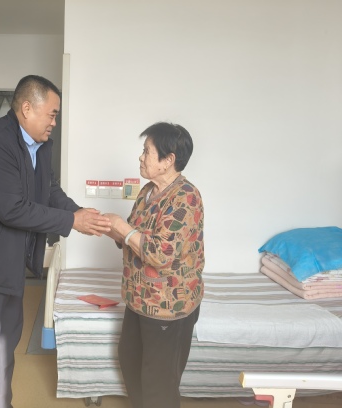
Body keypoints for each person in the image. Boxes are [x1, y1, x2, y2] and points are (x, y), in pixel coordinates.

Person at [0, 75, 111, 408]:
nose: (54, 122)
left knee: (4, 352)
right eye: (51, 114)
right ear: (26, 108)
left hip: (9, 266)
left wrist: (78, 213)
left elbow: (48, 190)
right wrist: (71, 222)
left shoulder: (40, 145)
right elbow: (12, 209)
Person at [103, 122, 205, 408]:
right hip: (139, 299)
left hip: (167, 307)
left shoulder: (186, 198)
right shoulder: (147, 191)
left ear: (168, 160)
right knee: (130, 361)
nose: (141, 157)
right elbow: (135, 237)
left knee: (158, 383)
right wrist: (111, 229)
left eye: (147, 151)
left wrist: (123, 228)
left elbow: (161, 253)